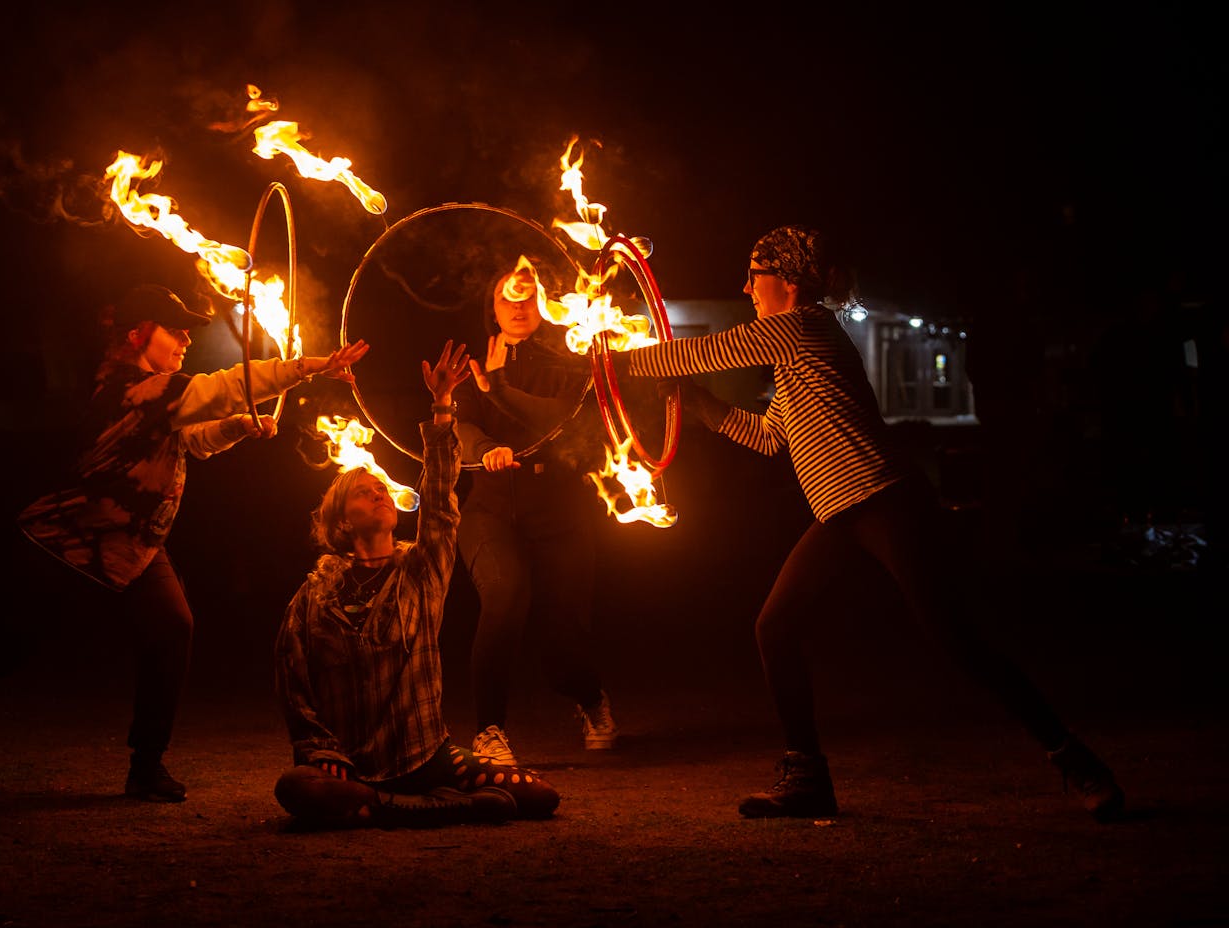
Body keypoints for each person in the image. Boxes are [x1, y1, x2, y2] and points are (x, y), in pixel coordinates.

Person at [614, 225, 1125, 822]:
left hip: (886, 502)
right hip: (840, 515)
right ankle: (806, 777)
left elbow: (696, 353)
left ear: (785, 280)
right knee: (774, 628)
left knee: (957, 641)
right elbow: (769, 437)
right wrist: (699, 405)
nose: (745, 287)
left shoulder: (801, 327)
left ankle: (1077, 760)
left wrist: (605, 357)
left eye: (752, 275)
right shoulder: (793, 350)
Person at [0, 283, 370, 802]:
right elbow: (223, 386)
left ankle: (147, 766)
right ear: (137, 334)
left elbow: (193, 439)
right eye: (175, 328)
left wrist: (237, 427)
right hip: (68, 543)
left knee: (173, 627)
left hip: (135, 546)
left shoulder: (159, 395)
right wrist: (306, 365)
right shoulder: (130, 387)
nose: (187, 338)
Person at [273, 340, 561, 829]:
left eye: (381, 488)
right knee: (295, 788)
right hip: (349, 766)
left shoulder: (420, 570)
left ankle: (388, 809)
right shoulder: (313, 596)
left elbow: (440, 499)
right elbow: (293, 684)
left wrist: (444, 406)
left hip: (427, 755)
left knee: (539, 795)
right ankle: (434, 808)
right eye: (362, 494)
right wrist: (319, 749)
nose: (378, 494)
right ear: (342, 522)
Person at [452, 265, 616, 767]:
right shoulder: (470, 363)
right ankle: (489, 732)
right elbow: (458, 425)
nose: (519, 306)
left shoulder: (572, 357)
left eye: (529, 297)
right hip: (491, 507)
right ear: (493, 308)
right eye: (507, 298)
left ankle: (590, 699)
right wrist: (484, 448)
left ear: (545, 303)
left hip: (559, 508)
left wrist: (500, 389)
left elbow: (566, 424)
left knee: (564, 636)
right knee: (504, 596)